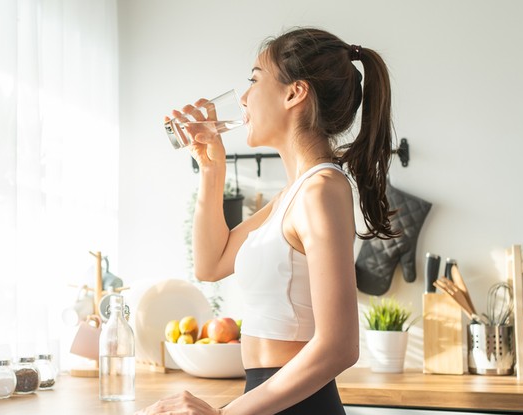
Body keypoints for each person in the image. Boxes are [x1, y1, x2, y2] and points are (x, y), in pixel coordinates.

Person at [139, 27, 398, 415]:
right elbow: (210, 265)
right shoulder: (292, 195)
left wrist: (225, 414)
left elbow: (340, 346)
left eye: (254, 80)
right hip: (266, 398)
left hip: (300, 405)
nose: (243, 98)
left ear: (295, 92)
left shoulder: (322, 189)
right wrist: (211, 168)